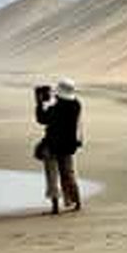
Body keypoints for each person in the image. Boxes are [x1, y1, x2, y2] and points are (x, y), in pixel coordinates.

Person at [34, 78, 83, 215]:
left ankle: (55, 208)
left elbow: (42, 119)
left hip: (52, 146)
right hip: (68, 146)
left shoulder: (57, 108)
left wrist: (39, 102)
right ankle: (77, 202)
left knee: (52, 176)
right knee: (69, 175)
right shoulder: (76, 105)